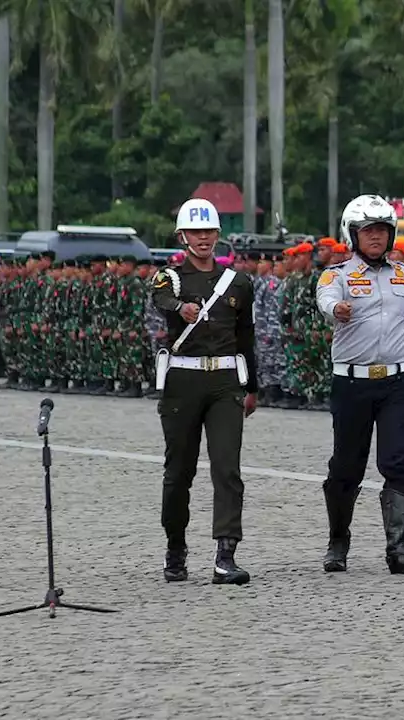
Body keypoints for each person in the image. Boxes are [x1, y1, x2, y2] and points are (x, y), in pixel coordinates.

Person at [316, 194, 404, 576]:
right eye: (368, 231)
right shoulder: (337, 276)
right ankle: (338, 540)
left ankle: (399, 548)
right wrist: (337, 309)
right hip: (352, 383)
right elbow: (326, 299)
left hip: (398, 383)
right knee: (346, 466)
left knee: (398, 463)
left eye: (382, 230)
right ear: (353, 235)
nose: (376, 237)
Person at [150, 198, 259, 585]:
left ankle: (225, 555)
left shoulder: (239, 282)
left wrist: (253, 387)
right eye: (195, 232)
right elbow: (160, 297)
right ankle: (175, 547)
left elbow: (246, 336)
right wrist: (180, 308)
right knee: (179, 472)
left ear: (218, 235)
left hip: (226, 381)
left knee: (227, 469)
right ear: (182, 236)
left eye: (209, 232)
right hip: (183, 381)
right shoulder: (170, 277)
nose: (203, 239)